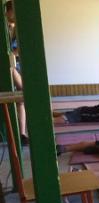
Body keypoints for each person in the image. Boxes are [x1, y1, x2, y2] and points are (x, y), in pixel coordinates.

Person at [4, 0, 27, 143]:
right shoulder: (6, 28)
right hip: (10, 67)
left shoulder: (17, 27)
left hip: (17, 66)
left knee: (21, 100)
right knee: (22, 96)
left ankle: (22, 133)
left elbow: (19, 50)